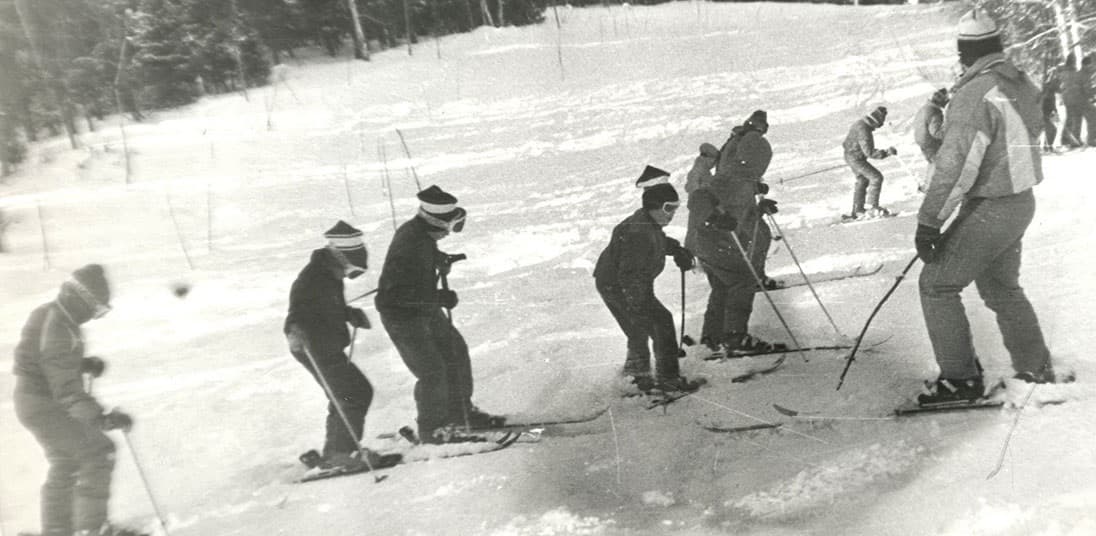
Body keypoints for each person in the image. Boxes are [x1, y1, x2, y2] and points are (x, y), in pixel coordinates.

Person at [914, 10, 1070, 406]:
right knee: (1001, 288)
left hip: (992, 206)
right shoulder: (1018, 83)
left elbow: (955, 167)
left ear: (964, 52)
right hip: (1019, 202)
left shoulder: (974, 95)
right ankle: (1036, 367)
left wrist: (929, 223)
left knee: (936, 285)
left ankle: (960, 379)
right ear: (997, 46)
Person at [13, 264, 138, 536]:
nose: (94, 316)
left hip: (34, 401)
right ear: (78, 298)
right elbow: (65, 388)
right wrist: (100, 418)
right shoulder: (58, 327)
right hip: (45, 406)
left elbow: (46, 362)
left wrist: (82, 364)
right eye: (95, 308)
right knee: (98, 452)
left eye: (100, 312)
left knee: (66, 460)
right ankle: (92, 529)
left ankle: (57, 529)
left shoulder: (52, 316)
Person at [375, 185, 502, 443]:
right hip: (402, 316)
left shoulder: (421, 236)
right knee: (432, 370)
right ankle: (432, 429)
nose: (449, 233)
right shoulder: (409, 241)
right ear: (439, 223)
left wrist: (440, 259)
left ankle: (458, 413)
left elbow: (426, 256)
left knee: (455, 351)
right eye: (451, 226)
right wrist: (437, 298)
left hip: (424, 310)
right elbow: (394, 295)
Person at [285, 221, 377, 469]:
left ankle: (338, 449)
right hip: (311, 345)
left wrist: (348, 313)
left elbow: (323, 306)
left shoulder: (328, 273)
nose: (349, 273)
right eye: (350, 268)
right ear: (341, 257)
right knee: (353, 392)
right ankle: (339, 453)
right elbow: (298, 310)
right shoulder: (314, 277)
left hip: (324, 344)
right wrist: (295, 330)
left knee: (348, 392)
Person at [594, 182, 698, 392]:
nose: (672, 213)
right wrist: (638, 304)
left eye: (676, 208)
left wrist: (675, 249)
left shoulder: (648, 223)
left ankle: (636, 376)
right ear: (653, 206)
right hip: (619, 286)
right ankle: (667, 379)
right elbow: (631, 273)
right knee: (661, 322)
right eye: (668, 208)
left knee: (639, 328)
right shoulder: (638, 233)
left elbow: (656, 240)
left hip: (620, 283)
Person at [689, 150, 786, 356]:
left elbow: (740, 215)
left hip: (712, 244)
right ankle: (734, 336)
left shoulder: (742, 182)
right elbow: (699, 200)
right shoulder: (727, 182)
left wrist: (759, 209)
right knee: (742, 280)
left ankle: (713, 336)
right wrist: (713, 220)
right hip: (713, 243)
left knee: (722, 286)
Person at [712, 110, 780, 290]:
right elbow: (743, 168)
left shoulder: (735, 140)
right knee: (755, 236)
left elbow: (732, 168)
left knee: (757, 235)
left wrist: (754, 184)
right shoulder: (751, 139)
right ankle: (749, 279)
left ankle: (751, 277)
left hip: (734, 195)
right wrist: (752, 182)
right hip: (736, 197)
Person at [842, 105, 897, 219]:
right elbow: (869, 152)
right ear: (875, 121)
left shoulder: (860, 124)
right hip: (856, 158)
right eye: (878, 125)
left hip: (851, 156)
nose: (877, 128)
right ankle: (872, 207)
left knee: (862, 179)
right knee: (876, 177)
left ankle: (858, 210)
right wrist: (887, 153)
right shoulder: (864, 130)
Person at [1059, 53, 1089, 148]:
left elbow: (1061, 85)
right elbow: (1080, 84)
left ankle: (1066, 139)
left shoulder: (1063, 72)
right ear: (1073, 61)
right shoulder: (1075, 72)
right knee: (1077, 117)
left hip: (1067, 98)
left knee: (1070, 118)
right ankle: (1075, 139)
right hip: (1075, 97)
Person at [915, 88, 948, 164]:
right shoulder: (934, 111)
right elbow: (936, 132)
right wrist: (950, 132)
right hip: (933, 146)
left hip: (925, 146)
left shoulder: (925, 108)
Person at [1041, 76, 1060, 153]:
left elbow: (1053, 106)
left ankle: (1047, 146)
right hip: (1044, 114)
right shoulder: (1047, 95)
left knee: (1054, 128)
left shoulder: (1051, 94)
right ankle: (1049, 147)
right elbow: (1043, 106)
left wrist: (1056, 114)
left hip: (1049, 113)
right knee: (1052, 129)